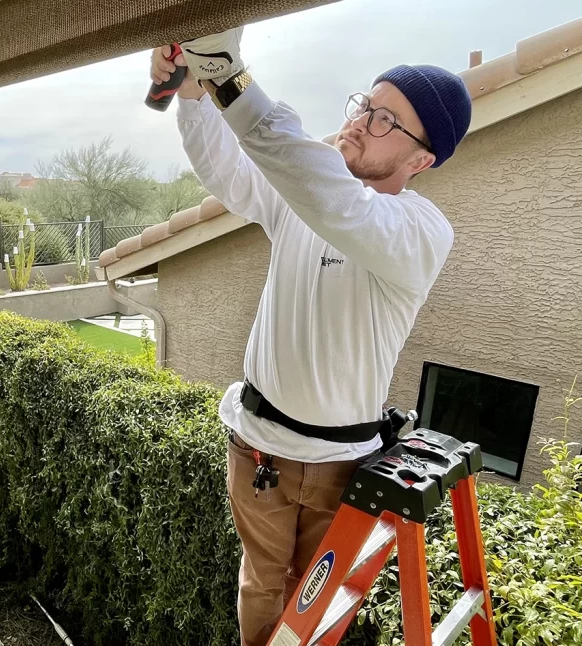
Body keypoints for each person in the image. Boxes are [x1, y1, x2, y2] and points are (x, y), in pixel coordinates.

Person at [150, 28, 472, 646]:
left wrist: (228, 72)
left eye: (384, 119)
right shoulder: (305, 199)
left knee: (315, 610)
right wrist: (191, 89)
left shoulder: (418, 231)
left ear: (421, 159)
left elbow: (330, 195)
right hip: (257, 450)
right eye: (363, 105)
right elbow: (229, 171)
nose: (359, 121)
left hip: (339, 466)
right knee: (262, 586)